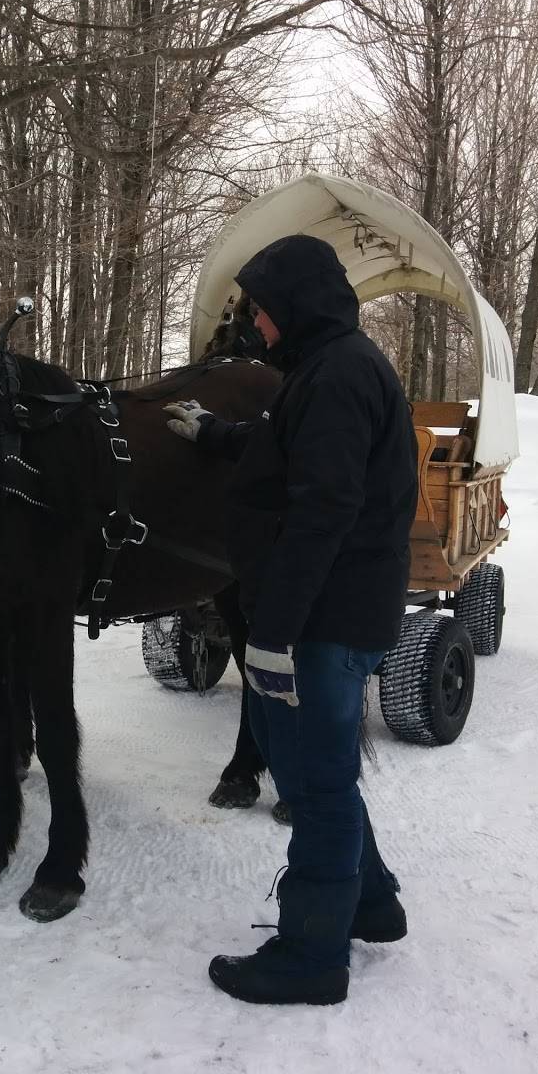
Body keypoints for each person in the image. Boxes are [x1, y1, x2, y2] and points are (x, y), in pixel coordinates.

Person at [165, 234, 417, 1006]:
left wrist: (272, 631)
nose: (257, 325)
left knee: (317, 782)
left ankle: (312, 954)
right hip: (328, 610)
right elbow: (290, 449)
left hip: (327, 618)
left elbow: (324, 508)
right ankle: (368, 903)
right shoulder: (324, 367)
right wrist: (212, 432)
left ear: (294, 305)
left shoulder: (338, 376)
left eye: (263, 310)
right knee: (311, 763)